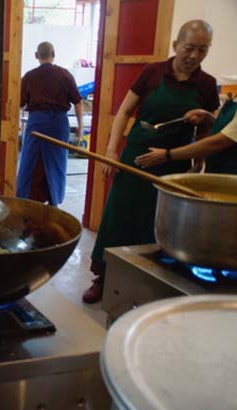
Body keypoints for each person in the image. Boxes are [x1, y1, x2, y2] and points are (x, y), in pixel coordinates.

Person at [82, 20, 219, 304]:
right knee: (119, 218)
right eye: (189, 48)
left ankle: (150, 286)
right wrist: (111, 151)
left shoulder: (206, 84)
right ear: (175, 46)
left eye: (202, 50)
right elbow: (124, 112)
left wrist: (197, 161)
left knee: (159, 225)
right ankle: (104, 279)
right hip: (137, 158)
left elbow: (208, 130)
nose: (194, 56)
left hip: (174, 163)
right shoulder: (153, 72)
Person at [16, 42, 83, 206]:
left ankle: (28, 203)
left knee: (31, 164)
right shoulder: (65, 75)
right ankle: (53, 204)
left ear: (36, 55)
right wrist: (80, 128)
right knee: (56, 164)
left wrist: (16, 123)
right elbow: (78, 102)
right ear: (54, 54)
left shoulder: (29, 76)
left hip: (36, 124)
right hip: (58, 125)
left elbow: (17, 103)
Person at [135, 100, 237, 173]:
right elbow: (228, 129)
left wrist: (167, 155)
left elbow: (217, 143)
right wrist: (208, 117)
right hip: (216, 173)